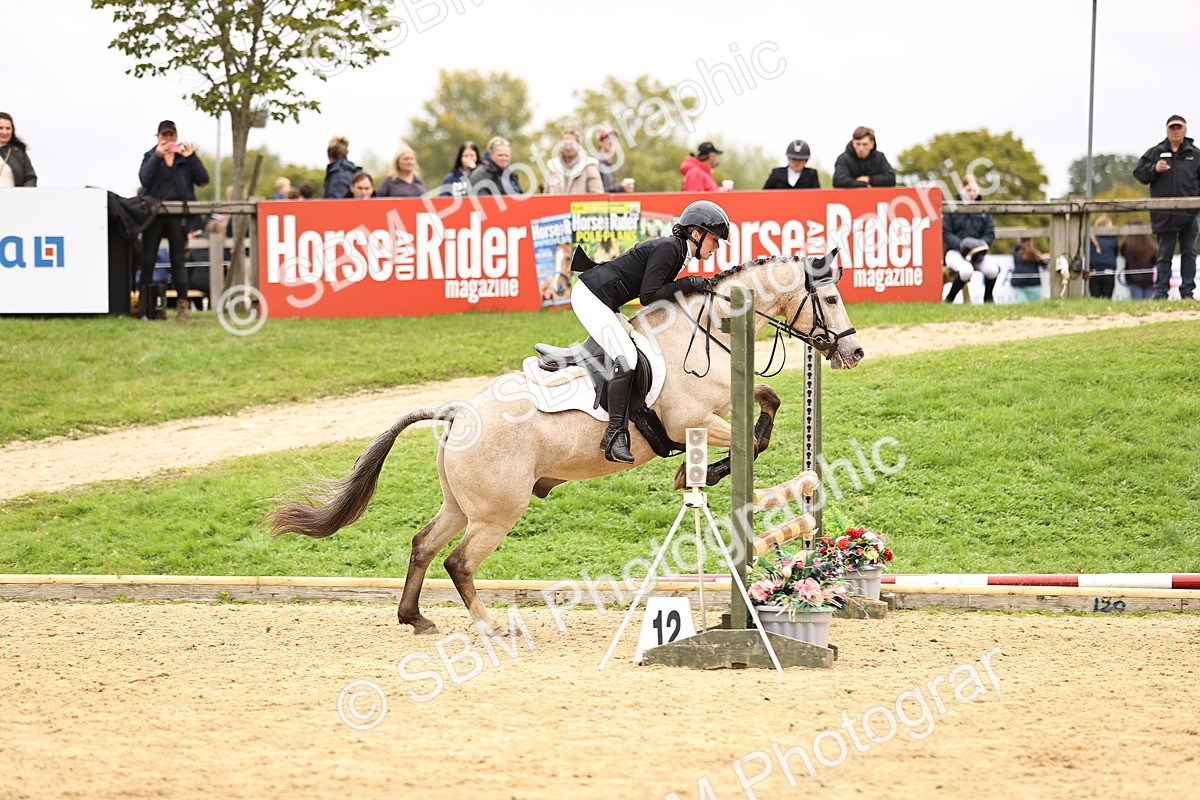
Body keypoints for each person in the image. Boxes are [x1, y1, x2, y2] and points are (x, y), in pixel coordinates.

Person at [571, 200, 731, 463]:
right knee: (628, 357)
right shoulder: (670, 249)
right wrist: (690, 283)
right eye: (714, 240)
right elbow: (649, 296)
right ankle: (615, 434)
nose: (716, 247)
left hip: (603, 299)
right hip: (592, 297)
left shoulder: (679, 251)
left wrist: (688, 284)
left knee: (630, 350)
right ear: (696, 233)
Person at [137, 119, 210, 321]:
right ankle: (145, 306)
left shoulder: (184, 159)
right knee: (148, 260)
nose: (168, 139)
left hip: (178, 215)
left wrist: (192, 157)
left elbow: (203, 180)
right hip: (154, 214)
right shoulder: (150, 156)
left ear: (176, 137)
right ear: (158, 137)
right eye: (164, 136)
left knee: (178, 261)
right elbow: (144, 179)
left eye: (171, 135)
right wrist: (157, 157)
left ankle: (182, 306)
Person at [1134, 115, 1200, 300]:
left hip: (1190, 213)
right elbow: (1139, 173)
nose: (1175, 131)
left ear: (1185, 130)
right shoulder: (1155, 152)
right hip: (1164, 213)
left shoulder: (1195, 154)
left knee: (1189, 253)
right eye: (1172, 128)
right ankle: (1161, 292)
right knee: (1164, 254)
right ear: (1167, 130)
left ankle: (1187, 292)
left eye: (1179, 127)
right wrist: (1154, 169)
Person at [942, 175, 999, 303]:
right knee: (966, 270)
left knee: (992, 269)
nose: (972, 193)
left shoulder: (983, 210)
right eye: (968, 190)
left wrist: (980, 245)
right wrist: (961, 245)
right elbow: (946, 233)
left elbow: (989, 233)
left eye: (974, 190)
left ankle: (988, 299)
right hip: (955, 252)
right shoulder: (952, 208)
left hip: (977, 254)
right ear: (962, 190)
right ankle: (949, 299)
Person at [832, 126, 896, 188]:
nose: (861, 148)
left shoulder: (880, 158)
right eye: (858, 144)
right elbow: (839, 181)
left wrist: (869, 179)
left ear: (872, 144)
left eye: (865, 144)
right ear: (853, 143)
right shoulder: (843, 159)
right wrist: (864, 185)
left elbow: (891, 179)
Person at [545, 130, 604, 194]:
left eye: (571, 143)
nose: (568, 147)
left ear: (578, 145)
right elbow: (545, 197)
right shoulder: (553, 167)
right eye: (565, 143)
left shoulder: (589, 166)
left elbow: (597, 196)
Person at [1119, 221, 1158, 300]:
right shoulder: (1151, 246)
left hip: (1133, 278)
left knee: (1137, 303)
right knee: (1148, 303)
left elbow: (1122, 253)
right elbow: (1156, 259)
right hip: (1148, 278)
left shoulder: (1127, 245)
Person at [0, 112, 37, 187]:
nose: (4, 132)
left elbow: (30, 178)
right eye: (0, 128)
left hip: (14, 198)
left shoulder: (19, 152)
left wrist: (23, 196)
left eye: (8, 128)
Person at [1087, 215, 1118, 299]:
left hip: (1094, 272)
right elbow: (1116, 253)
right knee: (1107, 298)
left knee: (1095, 298)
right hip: (1108, 271)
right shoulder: (1113, 239)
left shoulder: (1091, 238)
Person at [1010, 237, 1048, 302]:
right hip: (1033, 282)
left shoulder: (1016, 254)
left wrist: (1020, 243)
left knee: (1022, 305)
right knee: (1036, 305)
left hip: (1019, 282)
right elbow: (1044, 264)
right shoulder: (1034, 255)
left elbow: (1014, 250)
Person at [596, 127, 618, 193]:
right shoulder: (597, 163)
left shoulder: (609, 164)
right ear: (600, 142)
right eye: (608, 138)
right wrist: (620, 188)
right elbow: (600, 192)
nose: (611, 141)